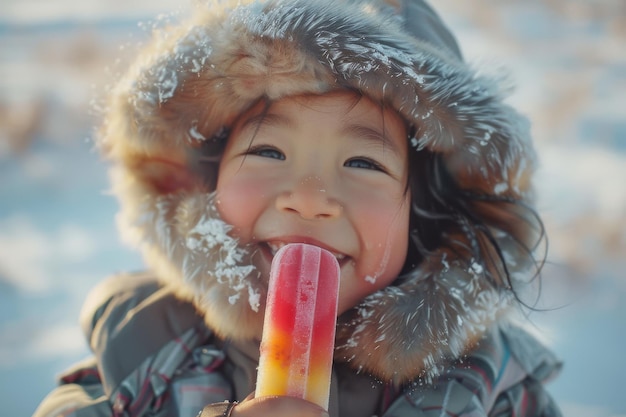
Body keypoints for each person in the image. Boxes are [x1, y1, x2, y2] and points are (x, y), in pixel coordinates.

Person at [33, 0, 563, 416]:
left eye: (363, 163)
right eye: (267, 151)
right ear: (204, 180)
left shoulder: (496, 392)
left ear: (428, 216)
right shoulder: (140, 362)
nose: (308, 198)